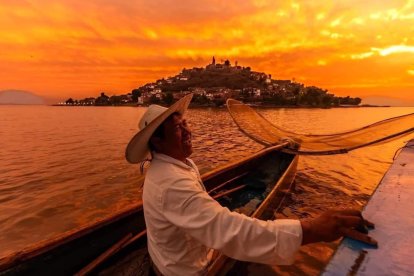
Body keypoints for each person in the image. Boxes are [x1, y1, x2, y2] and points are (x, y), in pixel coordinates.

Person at [125, 94, 374, 276]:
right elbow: (229, 231)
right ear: (157, 141)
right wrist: (310, 229)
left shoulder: (180, 163)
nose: (188, 131)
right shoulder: (170, 183)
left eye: (186, 123)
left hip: (169, 258)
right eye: (179, 129)